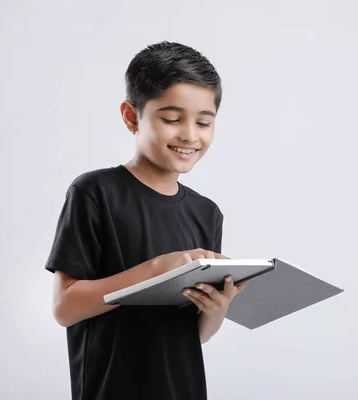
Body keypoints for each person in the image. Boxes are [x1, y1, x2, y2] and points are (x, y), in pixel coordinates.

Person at [45, 41, 246, 400]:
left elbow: (193, 333)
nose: (189, 134)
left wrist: (217, 310)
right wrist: (156, 270)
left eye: (204, 122)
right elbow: (65, 308)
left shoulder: (206, 213)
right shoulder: (95, 192)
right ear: (131, 117)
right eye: (172, 119)